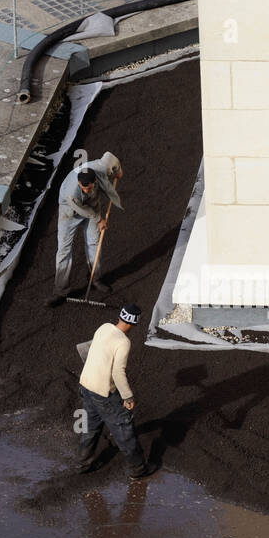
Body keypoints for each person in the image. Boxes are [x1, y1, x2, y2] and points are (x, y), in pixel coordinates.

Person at [76, 303, 158, 480]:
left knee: (89, 426)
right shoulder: (123, 342)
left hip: (86, 385)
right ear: (133, 323)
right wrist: (128, 396)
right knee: (123, 427)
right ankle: (138, 469)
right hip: (103, 392)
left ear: (120, 316)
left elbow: (86, 348)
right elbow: (117, 372)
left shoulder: (104, 327)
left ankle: (83, 463)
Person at [48, 153, 124, 306]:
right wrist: (99, 219)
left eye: (90, 188)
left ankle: (94, 278)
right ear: (79, 183)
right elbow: (82, 210)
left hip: (93, 208)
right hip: (69, 213)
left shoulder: (99, 168)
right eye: (84, 188)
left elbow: (110, 158)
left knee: (94, 243)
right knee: (64, 249)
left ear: (95, 180)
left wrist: (118, 171)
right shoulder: (72, 192)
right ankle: (60, 291)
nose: (87, 190)